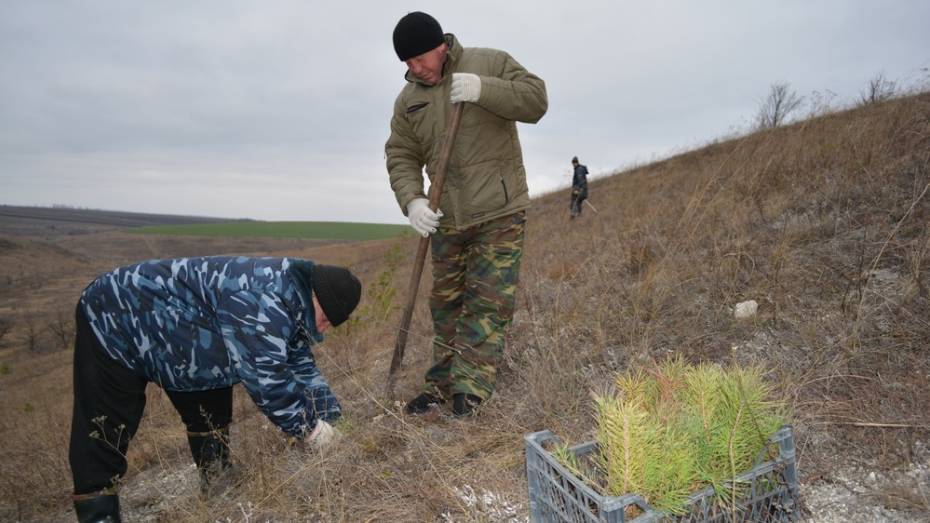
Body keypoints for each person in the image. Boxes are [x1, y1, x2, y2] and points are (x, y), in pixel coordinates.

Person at [69, 256, 361, 522]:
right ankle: (99, 515)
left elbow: (301, 365)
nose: (322, 329)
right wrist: (312, 430)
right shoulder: (262, 300)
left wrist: (333, 417)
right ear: (315, 297)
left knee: (210, 391)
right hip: (115, 313)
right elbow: (268, 381)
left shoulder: (294, 302)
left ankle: (216, 484)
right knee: (106, 425)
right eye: (324, 319)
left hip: (183, 335)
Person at [385, 12, 547, 417]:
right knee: (446, 306)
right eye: (406, 63)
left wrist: (483, 90)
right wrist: (413, 201)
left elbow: (536, 100)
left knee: (487, 302)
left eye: (419, 58)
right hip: (447, 219)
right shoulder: (409, 101)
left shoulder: (488, 63)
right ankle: (441, 384)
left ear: (441, 45)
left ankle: (470, 389)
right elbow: (401, 155)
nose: (414, 68)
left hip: (498, 210)